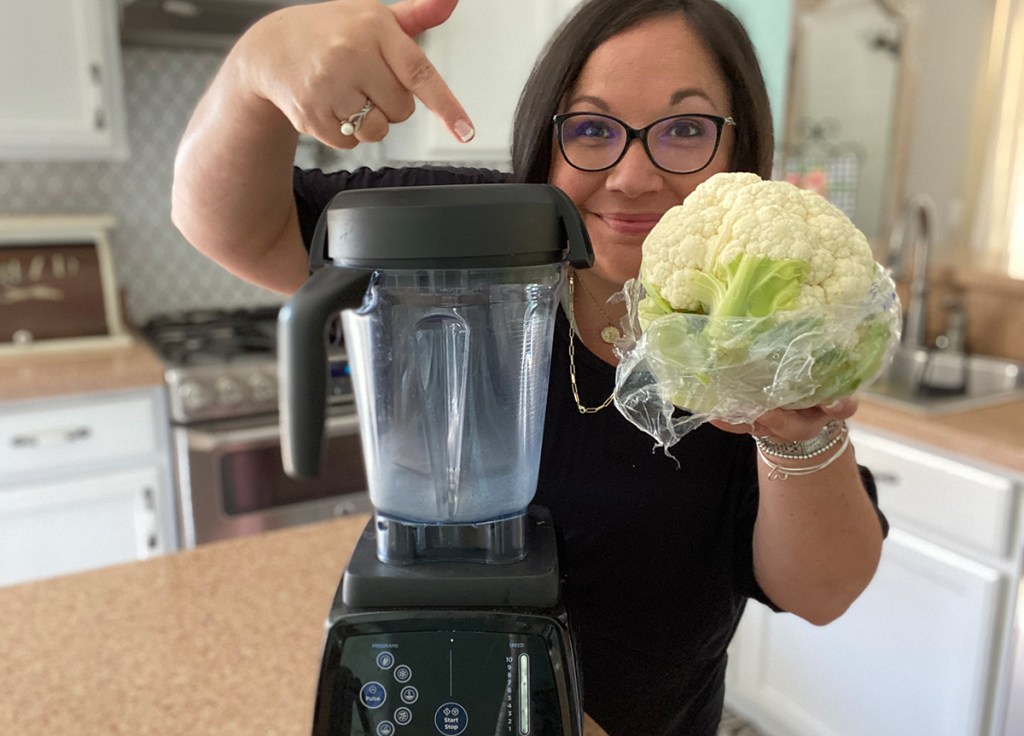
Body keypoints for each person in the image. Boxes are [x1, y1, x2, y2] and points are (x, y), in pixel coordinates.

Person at [172, 1, 888, 733]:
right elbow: (234, 224)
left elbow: (822, 590)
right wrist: (257, 64)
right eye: (591, 128)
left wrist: (793, 431)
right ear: (545, 141)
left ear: (738, 151)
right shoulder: (474, 236)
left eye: (683, 130)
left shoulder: (756, 327)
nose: (631, 175)